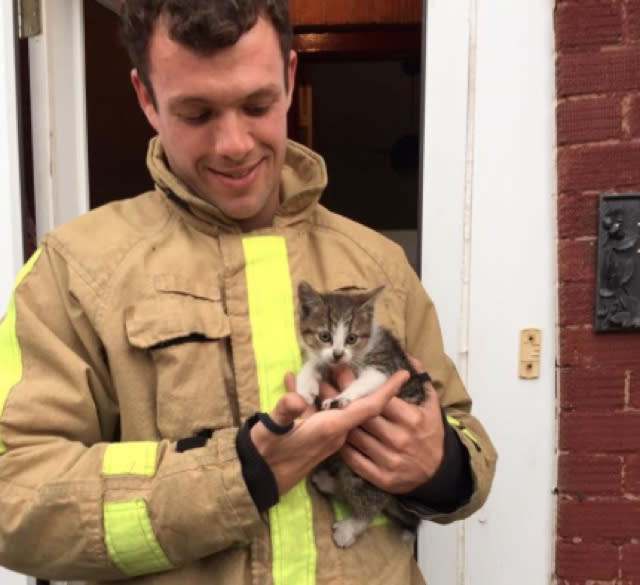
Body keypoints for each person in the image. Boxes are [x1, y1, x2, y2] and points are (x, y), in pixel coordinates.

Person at [0, 1, 496, 583]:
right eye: (196, 112)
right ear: (146, 97)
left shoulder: (376, 262)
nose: (233, 143)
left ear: (290, 79)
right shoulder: (73, 270)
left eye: (257, 105)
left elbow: (465, 438)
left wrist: (440, 466)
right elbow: (15, 498)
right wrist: (239, 476)